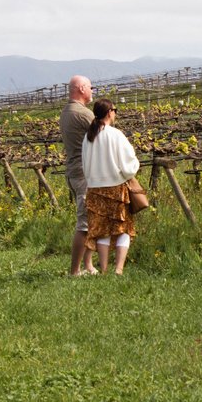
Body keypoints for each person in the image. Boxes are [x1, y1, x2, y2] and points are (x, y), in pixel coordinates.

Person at [82, 98, 141, 275]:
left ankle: (104, 269)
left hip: (95, 189)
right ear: (109, 112)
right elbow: (128, 162)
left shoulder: (89, 136)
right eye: (115, 110)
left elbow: (85, 163)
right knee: (123, 228)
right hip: (116, 188)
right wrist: (131, 171)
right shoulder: (115, 134)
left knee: (102, 231)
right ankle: (119, 269)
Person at [60, 74, 97, 276]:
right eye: (91, 87)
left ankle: (88, 265)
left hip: (75, 170)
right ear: (82, 89)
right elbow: (104, 136)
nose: (92, 91)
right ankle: (74, 271)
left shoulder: (66, 112)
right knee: (84, 223)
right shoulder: (83, 114)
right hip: (83, 173)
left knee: (91, 220)